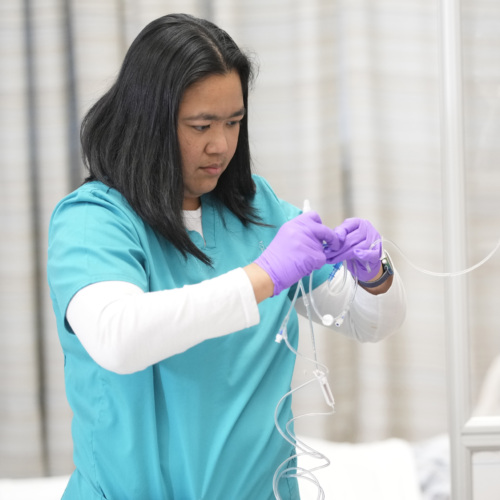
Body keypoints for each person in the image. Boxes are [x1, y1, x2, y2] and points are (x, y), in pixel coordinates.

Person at [47, 13, 406, 500]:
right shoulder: (94, 221)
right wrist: (263, 275)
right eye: (201, 125)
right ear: (147, 121)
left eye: (234, 122)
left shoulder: (256, 208)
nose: (221, 145)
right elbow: (119, 339)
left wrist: (375, 275)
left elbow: (367, 323)